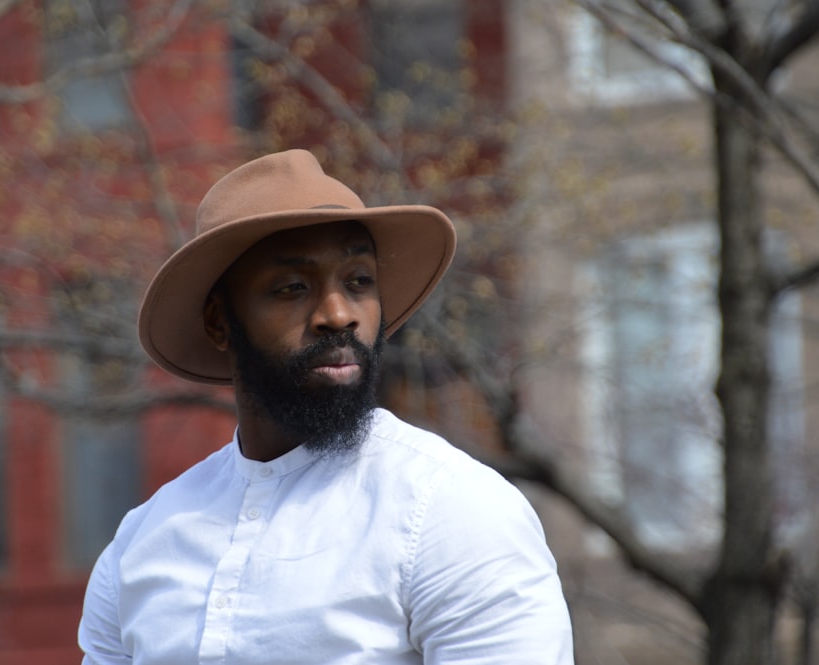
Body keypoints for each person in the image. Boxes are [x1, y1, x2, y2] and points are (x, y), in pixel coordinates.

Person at [78, 149, 574, 664]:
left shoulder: (452, 511)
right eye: (292, 287)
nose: (338, 315)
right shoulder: (143, 541)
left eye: (359, 281)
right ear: (218, 322)